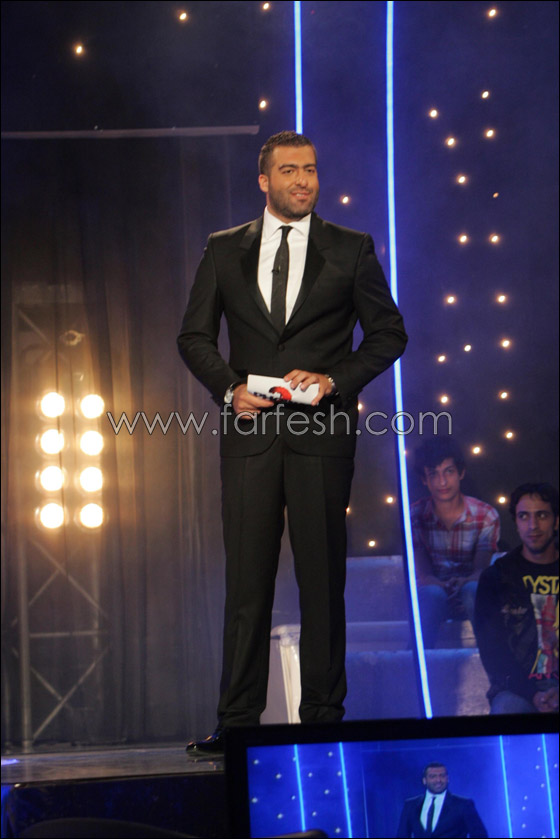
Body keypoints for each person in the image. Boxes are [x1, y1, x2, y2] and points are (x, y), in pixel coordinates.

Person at [177, 130, 407, 753]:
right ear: (264, 180)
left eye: (310, 169)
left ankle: (323, 722)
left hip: (321, 434)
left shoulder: (351, 248)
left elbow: (389, 333)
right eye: (289, 170)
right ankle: (237, 725)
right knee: (246, 584)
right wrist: (230, 389)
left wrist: (334, 380)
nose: (303, 180)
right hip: (249, 436)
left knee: (322, 581)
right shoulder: (224, 249)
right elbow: (193, 336)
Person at [474, 483, 559, 714]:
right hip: (516, 690)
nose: (533, 525)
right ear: (516, 523)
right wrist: (533, 694)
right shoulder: (497, 578)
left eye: (542, 515)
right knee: (508, 709)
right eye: (524, 516)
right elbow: (492, 651)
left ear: (556, 521)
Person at [411, 438, 500, 647]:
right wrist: (441, 585)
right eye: (434, 474)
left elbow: (480, 571)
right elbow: (423, 574)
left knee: (473, 590)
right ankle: (415, 660)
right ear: (424, 479)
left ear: (461, 473)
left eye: (449, 472)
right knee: (431, 595)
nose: (442, 482)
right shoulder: (414, 515)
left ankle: (494, 656)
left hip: (471, 591)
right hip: (434, 591)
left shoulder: (485, 514)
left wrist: (463, 583)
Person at [396, 762, 488, 838]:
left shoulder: (463, 805)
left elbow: (479, 835)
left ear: (448, 779)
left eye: (442, 776)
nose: (438, 780)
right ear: (424, 780)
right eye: (433, 776)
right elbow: (402, 835)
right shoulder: (411, 805)